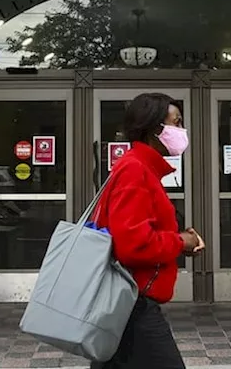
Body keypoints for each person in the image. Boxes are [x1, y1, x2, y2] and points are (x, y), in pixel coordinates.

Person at [91, 92, 202, 369]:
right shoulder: (135, 170)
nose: (181, 131)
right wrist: (181, 242)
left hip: (125, 301)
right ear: (155, 130)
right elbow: (132, 245)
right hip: (132, 304)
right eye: (175, 124)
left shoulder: (141, 168)